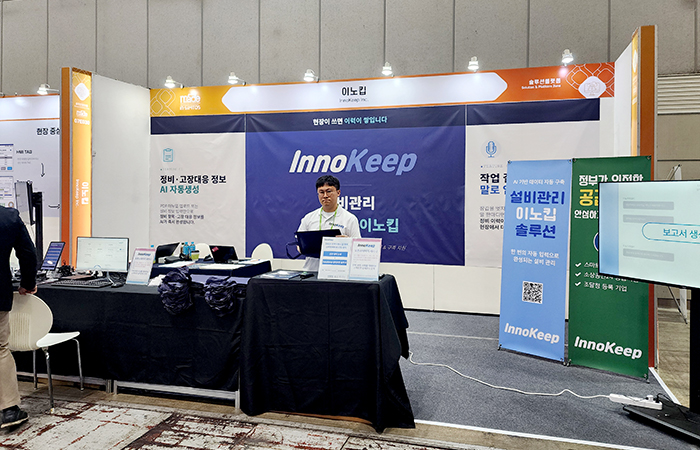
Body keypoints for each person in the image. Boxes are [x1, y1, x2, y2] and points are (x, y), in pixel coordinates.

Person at [0, 206, 37, 428]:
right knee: (0, 350)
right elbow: (28, 253)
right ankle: (9, 410)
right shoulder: (8, 217)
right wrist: (28, 283)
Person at [298, 175, 361, 271]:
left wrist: (347, 242)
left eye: (329, 191)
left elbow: (358, 248)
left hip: (338, 272)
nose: (325, 196)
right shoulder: (309, 218)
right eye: (321, 192)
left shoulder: (350, 219)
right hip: (312, 271)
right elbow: (299, 246)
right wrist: (304, 247)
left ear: (338, 192)